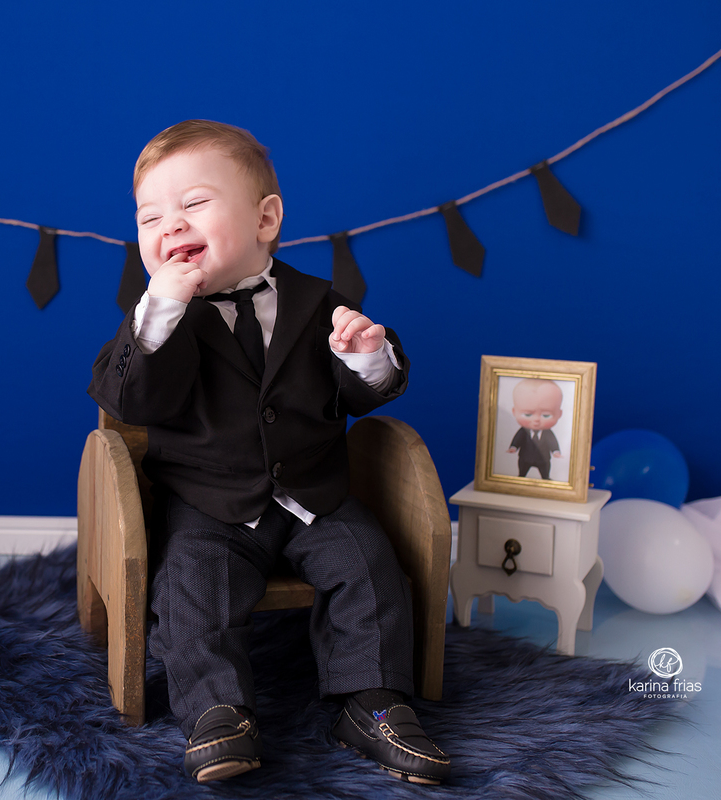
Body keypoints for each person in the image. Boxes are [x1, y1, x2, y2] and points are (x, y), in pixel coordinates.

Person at [88, 120, 450, 785]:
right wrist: (159, 311)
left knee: (369, 564)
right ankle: (217, 712)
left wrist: (366, 356)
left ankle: (370, 703)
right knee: (193, 585)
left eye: (194, 203)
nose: (171, 224)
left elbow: (365, 394)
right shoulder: (158, 318)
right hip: (208, 504)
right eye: (149, 216)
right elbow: (127, 400)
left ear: (266, 218)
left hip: (314, 493)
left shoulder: (316, 301)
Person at [506, 379, 565, 480]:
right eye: (528, 414)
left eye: (546, 415)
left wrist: (556, 451)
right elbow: (518, 439)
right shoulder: (523, 431)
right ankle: (521, 476)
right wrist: (513, 447)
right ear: (514, 412)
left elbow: (552, 442)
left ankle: (546, 477)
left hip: (542, 459)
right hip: (525, 457)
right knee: (522, 470)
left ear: (559, 414)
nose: (536, 420)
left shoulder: (548, 433)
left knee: (545, 471)